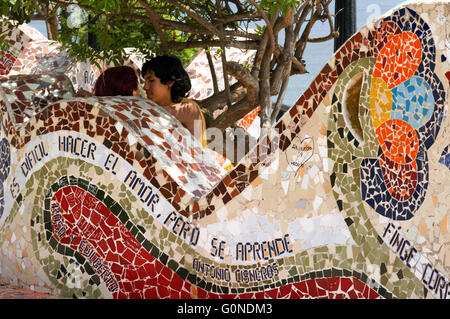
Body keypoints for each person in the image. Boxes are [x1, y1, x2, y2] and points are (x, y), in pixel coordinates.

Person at [141, 55, 207, 147]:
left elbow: (152, 115)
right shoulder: (153, 106)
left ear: (169, 82)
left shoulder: (189, 109)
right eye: (145, 81)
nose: (145, 87)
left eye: (151, 81)